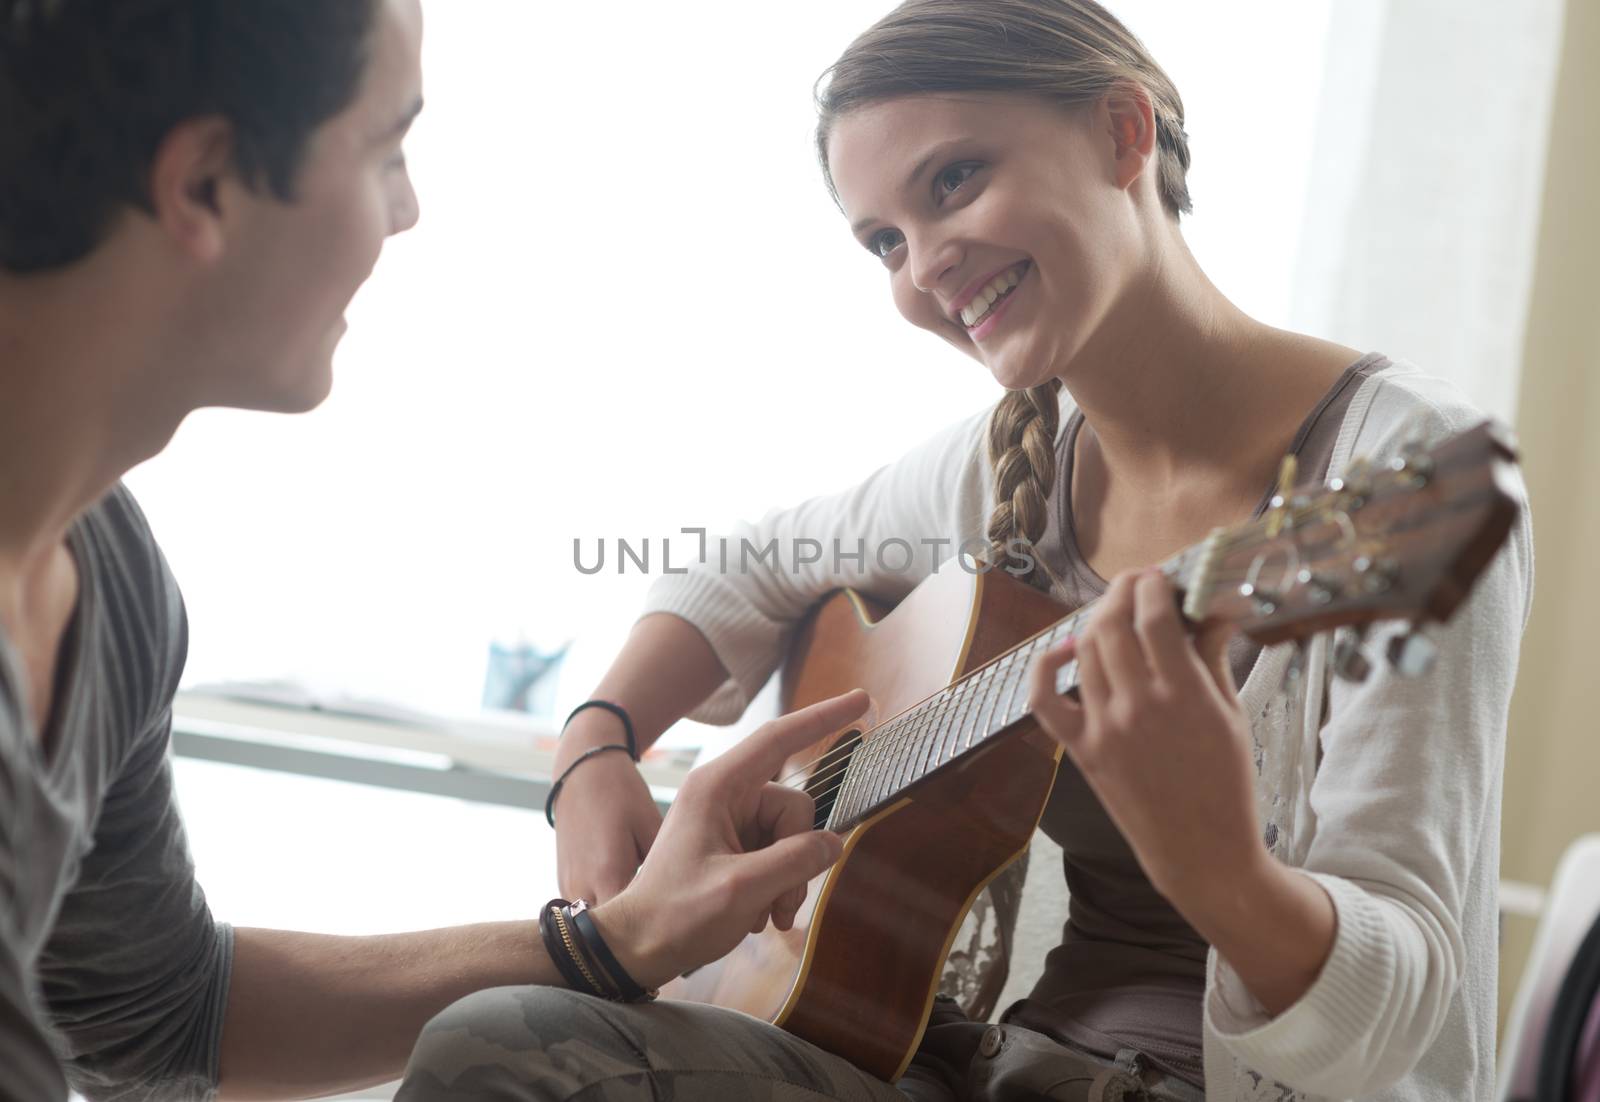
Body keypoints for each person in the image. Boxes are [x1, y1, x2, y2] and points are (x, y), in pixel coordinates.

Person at [399, 0, 1535, 1099]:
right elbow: (740, 567)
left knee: (503, 1054)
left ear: (1122, 131)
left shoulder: (1403, 470)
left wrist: (1221, 869)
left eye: (954, 181)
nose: (923, 264)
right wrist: (595, 747)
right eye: (885, 239)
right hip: (997, 1056)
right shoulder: (1007, 461)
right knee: (512, 1038)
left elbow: (1407, 1006)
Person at [0, 2, 860, 1099]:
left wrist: (619, 938)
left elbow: (160, 1009)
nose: (408, 211)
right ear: (205, 183)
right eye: (386, 148)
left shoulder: (106, 584)